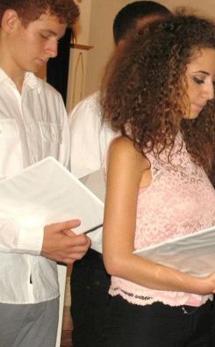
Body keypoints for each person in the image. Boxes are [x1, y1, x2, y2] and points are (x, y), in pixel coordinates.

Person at [100, 12, 215, 347]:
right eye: (199, 79)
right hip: (145, 322)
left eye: (214, 80)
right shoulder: (130, 149)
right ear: (162, 76)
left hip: (199, 317)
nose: (210, 93)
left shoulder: (191, 149)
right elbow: (117, 259)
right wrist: (197, 283)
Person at [68, 3, 171, 346]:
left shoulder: (181, 114)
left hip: (162, 265)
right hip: (103, 265)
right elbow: (80, 197)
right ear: (125, 48)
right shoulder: (95, 112)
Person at [0, 1, 91, 347]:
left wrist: (74, 233)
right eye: (45, 36)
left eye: (59, 39)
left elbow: (59, 191)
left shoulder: (52, 101)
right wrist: (34, 241)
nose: (53, 50)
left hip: (44, 287)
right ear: (10, 21)